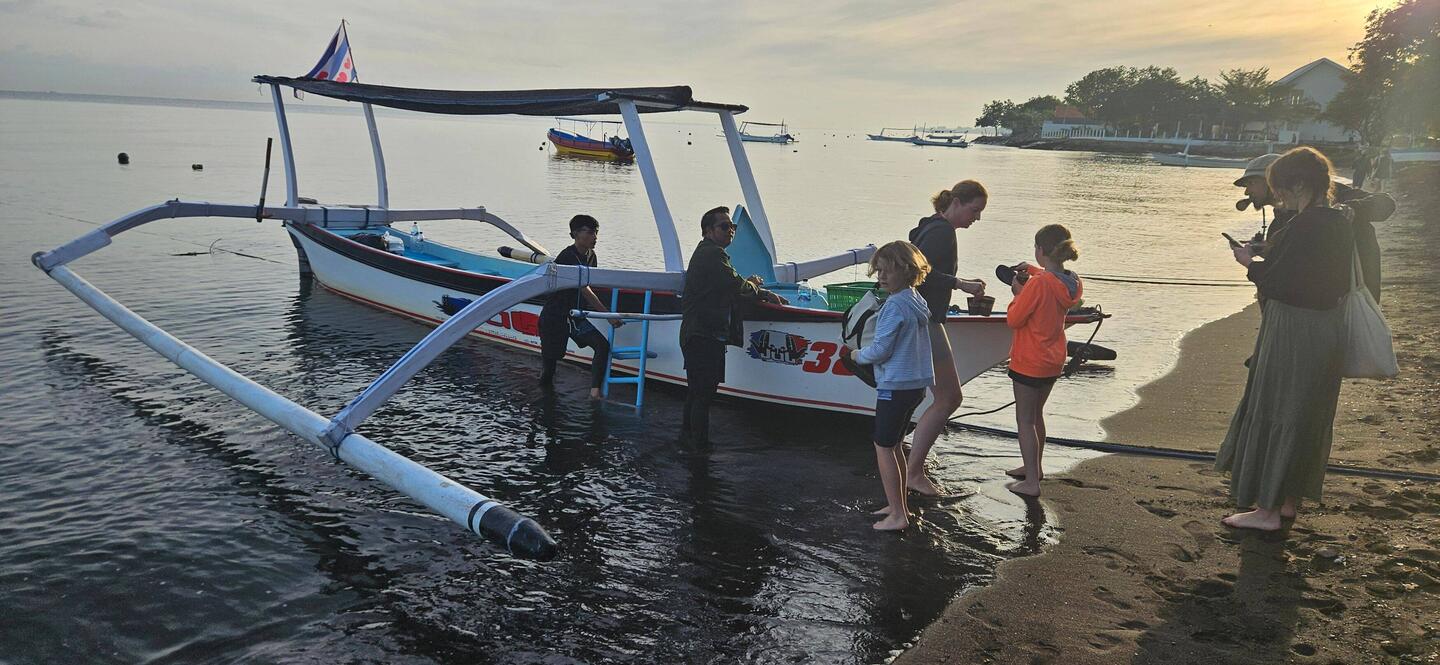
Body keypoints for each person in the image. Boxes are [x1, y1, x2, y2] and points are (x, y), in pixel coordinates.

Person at [1217, 147, 1354, 531]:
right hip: (1325, 327)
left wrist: (1250, 264)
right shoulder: (1338, 221)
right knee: (1304, 414)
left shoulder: (1307, 223)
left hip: (1294, 329)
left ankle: (1267, 511)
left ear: (1298, 184)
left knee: (1278, 409)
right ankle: (1288, 502)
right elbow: (1321, 277)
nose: (1279, 196)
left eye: (1281, 187)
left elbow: (1283, 284)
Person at [840, 241, 935, 530]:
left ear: (906, 271)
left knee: (883, 446)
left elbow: (880, 350)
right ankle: (898, 504)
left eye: (887, 271)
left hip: (895, 385)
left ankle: (898, 515)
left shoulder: (893, 305)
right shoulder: (915, 299)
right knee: (895, 445)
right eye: (878, 271)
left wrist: (855, 355)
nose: (880, 277)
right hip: (915, 385)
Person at [905, 180, 989, 495]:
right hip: (926, 322)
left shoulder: (927, 226)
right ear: (956, 202)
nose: (976, 218)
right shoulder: (942, 231)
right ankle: (914, 472)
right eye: (974, 210)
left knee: (939, 397)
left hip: (922, 320)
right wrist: (961, 284)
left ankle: (912, 463)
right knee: (949, 397)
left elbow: (918, 268)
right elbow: (917, 272)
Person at [680, 206, 787, 445]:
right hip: (702, 334)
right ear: (708, 231)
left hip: (700, 333)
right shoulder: (712, 255)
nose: (731, 231)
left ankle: (688, 441)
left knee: (697, 392)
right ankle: (699, 448)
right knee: (703, 394)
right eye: (724, 226)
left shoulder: (710, 253)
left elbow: (729, 286)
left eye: (733, 227)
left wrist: (755, 288)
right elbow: (736, 285)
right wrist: (759, 289)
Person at [1235, 153, 1395, 302]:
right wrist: (1267, 249)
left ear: (1273, 179)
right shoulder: (1280, 220)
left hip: (1350, 302)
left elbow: (1386, 203)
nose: (1247, 192)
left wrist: (1350, 209)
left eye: (1251, 183)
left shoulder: (1326, 194)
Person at [1002, 225, 1083, 498]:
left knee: (1024, 420)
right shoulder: (1072, 282)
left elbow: (1014, 319)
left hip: (1029, 360)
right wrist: (1034, 270)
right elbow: (1052, 279)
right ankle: (1033, 467)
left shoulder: (1037, 285)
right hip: (1053, 359)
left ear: (1040, 250)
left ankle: (1032, 483)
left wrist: (1017, 294)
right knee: (1037, 415)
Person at [538, 214, 623, 398]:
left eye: (596, 232)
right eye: (591, 232)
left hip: (576, 316)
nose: (595, 237)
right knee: (549, 369)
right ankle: (544, 402)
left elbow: (591, 286)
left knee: (602, 346)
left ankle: (594, 392)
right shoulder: (568, 256)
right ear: (575, 234)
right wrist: (608, 315)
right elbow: (585, 289)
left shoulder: (591, 256)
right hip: (555, 316)